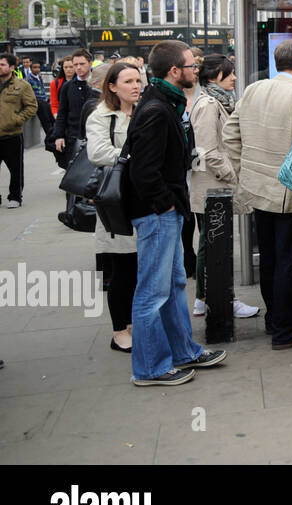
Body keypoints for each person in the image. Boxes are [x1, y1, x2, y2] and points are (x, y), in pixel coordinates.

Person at [124, 41, 226, 386]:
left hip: (166, 210)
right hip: (156, 214)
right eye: (191, 65)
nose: (196, 70)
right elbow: (144, 171)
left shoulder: (165, 102)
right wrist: (165, 204)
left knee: (173, 284)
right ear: (174, 71)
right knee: (152, 293)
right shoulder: (157, 109)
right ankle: (150, 368)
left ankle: (183, 351)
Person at [223, 38, 292, 350]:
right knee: (287, 262)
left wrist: (244, 170)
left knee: (269, 259)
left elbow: (230, 134)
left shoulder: (253, 89)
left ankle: (274, 321)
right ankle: (286, 330)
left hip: (258, 189)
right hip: (288, 194)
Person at [189, 54, 258, 319]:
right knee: (214, 244)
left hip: (212, 185)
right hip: (213, 186)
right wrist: (232, 175)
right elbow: (208, 149)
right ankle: (218, 298)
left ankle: (205, 297)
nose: (234, 78)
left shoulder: (213, 101)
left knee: (212, 242)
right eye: (229, 73)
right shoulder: (208, 104)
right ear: (216, 75)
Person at [86, 61, 143, 353]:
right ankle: (119, 330)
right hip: (116, 200)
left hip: (143, 198)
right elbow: (97, 153)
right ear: (112, 87)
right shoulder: (102, 116)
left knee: (138, 268)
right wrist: (135, 156)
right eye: (128, 81)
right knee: (121, 268)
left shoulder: (144, 111)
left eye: (137, 80)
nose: (135, 86)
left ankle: (134, 324)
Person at [0, 54, 38, 209]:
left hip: (12, 134)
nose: (0, 67)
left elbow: (32, 107)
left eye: (2, 64)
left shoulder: (22, 85)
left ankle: (15, 196)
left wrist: (16, 119)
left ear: (11, 67)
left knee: (16, 169)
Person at [51, 49, 94, 167]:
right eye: (76, 65)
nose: (78, 68)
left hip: (96, 135)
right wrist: (59, 135)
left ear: (90, 63)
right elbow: (62, 112)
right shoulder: (67, 87)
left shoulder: (99, 85)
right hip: (73, 137)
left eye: (82, 64)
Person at [27, 60, 53, 136]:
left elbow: (42, 89)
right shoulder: (29, 79)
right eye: (35, 67)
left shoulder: (39, 77)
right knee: (45, 119)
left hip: (43, 100)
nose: (37, 69)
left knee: (51, 117)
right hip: (36, 101)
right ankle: (50, 135)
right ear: (31, 69)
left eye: (38, 67)